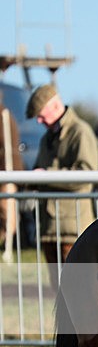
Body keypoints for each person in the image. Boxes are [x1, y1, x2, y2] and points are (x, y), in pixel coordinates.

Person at [26, 84, 98, 292]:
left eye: (41, 116)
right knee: (58, 293)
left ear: (55, 105)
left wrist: (46, 175)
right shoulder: (46, 138)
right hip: (50, 228)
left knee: (81, 294)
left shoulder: (80, 132)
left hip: (73, 229)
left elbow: (86, 174)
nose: (39, 122)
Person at [0, 97, 24, 247]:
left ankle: (7, 243)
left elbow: (7, 147)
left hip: (6, 172)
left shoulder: (4, 117)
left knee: (6, 212)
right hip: (6, 171)